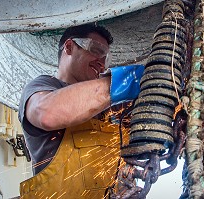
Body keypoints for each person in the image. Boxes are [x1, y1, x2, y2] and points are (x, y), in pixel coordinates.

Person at [18, 23, 144, 199]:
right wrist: (119, 82)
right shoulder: (43, 87)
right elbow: (49, 114)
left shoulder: (110, 105)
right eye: (95, 49)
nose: (102, 63)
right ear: (69, 47)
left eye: (106, 58)